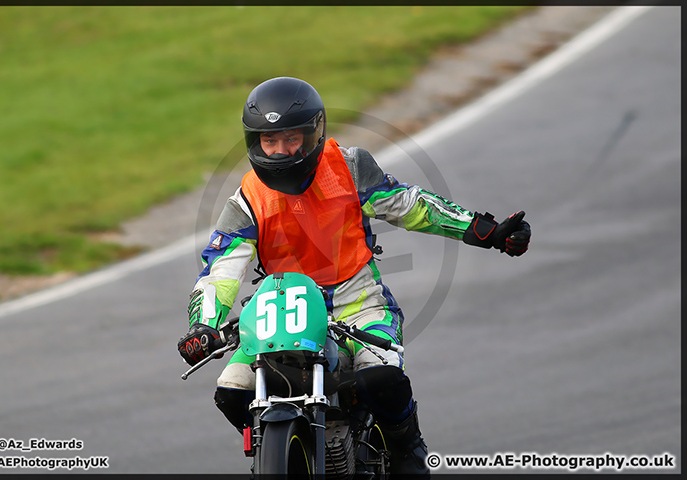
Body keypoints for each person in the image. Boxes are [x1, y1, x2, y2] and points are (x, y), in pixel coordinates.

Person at [178, 77, 531, 476]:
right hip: (283, 306)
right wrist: (202, 326)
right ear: (253, 142)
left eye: (290, 139)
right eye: (269, 141)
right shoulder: (245, 201)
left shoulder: (349, 167)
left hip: (358, 300)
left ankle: (407, 445)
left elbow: (411, 206)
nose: (279, 151)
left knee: (381, 378)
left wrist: (486, 231)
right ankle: (270, 446)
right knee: (230, 390)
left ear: (314, 134)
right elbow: (220, 271)